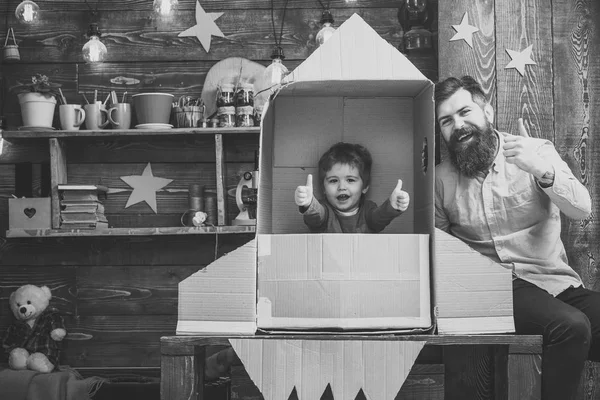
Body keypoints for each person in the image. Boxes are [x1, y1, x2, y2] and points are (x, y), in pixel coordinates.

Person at [434, 75, 597, 400]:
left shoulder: (534, 151)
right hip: (495, 289)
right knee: (572, 326)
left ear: (488, 112)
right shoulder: (440, 179)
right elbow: (437, 251)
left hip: (556, 286)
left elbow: (582, 209)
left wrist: (541, 170)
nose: (459, 125)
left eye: (465, 112)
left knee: (574, 320)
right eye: (447, 120)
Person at [294, 142, 409, 233]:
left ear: (364, 186)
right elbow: (316, 215)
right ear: (323, 188)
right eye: (333, 181)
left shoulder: (368, 211)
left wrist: (391, 206)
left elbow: (379, 217)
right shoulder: (325, 211)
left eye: (350, 180)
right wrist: (308, 204)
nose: (342, 187)